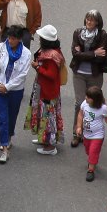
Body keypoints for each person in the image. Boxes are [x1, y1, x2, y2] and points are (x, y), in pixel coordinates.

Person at [0, 27, 31, 165]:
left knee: (12, 116)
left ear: (19, 39)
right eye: (9, 38)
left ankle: (8, 136)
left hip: (15, 90)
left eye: (13, 38)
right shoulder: (1, 48)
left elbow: (23, 75)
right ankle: (4, 147)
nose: (10, 41)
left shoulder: (26, 53)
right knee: (2, 117)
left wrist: (8, 86)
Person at [72, 9, 107, 129]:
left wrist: (83, 54)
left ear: (97, 22)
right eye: (87, 19)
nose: (89, 21)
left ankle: (91, 129)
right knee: (80, 103)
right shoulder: (77, 32)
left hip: (95, 75)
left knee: (94, 102)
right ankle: (77, 130)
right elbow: (75, 55)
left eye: (92, 20)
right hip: (79, 74)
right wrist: (94, 53)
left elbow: (101, 58)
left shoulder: (102, 35)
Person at [26, 24, 66, 156]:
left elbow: (51, 75)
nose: (39, 39)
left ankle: (50, 146)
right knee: (44, 116)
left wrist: (38, 68)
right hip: (43, 89)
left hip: (48, 92)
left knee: (48, 118)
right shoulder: (52, 51)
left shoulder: (52, 56)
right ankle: (44, 139)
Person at [80, 83, 107, 183]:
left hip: (98, 135)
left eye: (89, 97)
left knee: (93, 151)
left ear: (95, 100)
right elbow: (80, 115)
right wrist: (78, 127)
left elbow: (106, 118)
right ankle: (92, 160)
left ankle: (91, 170)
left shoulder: (103, 108)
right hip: (86, 134)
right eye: (86, 96)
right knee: (88, 150)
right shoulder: (84, 104)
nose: (86, 98)